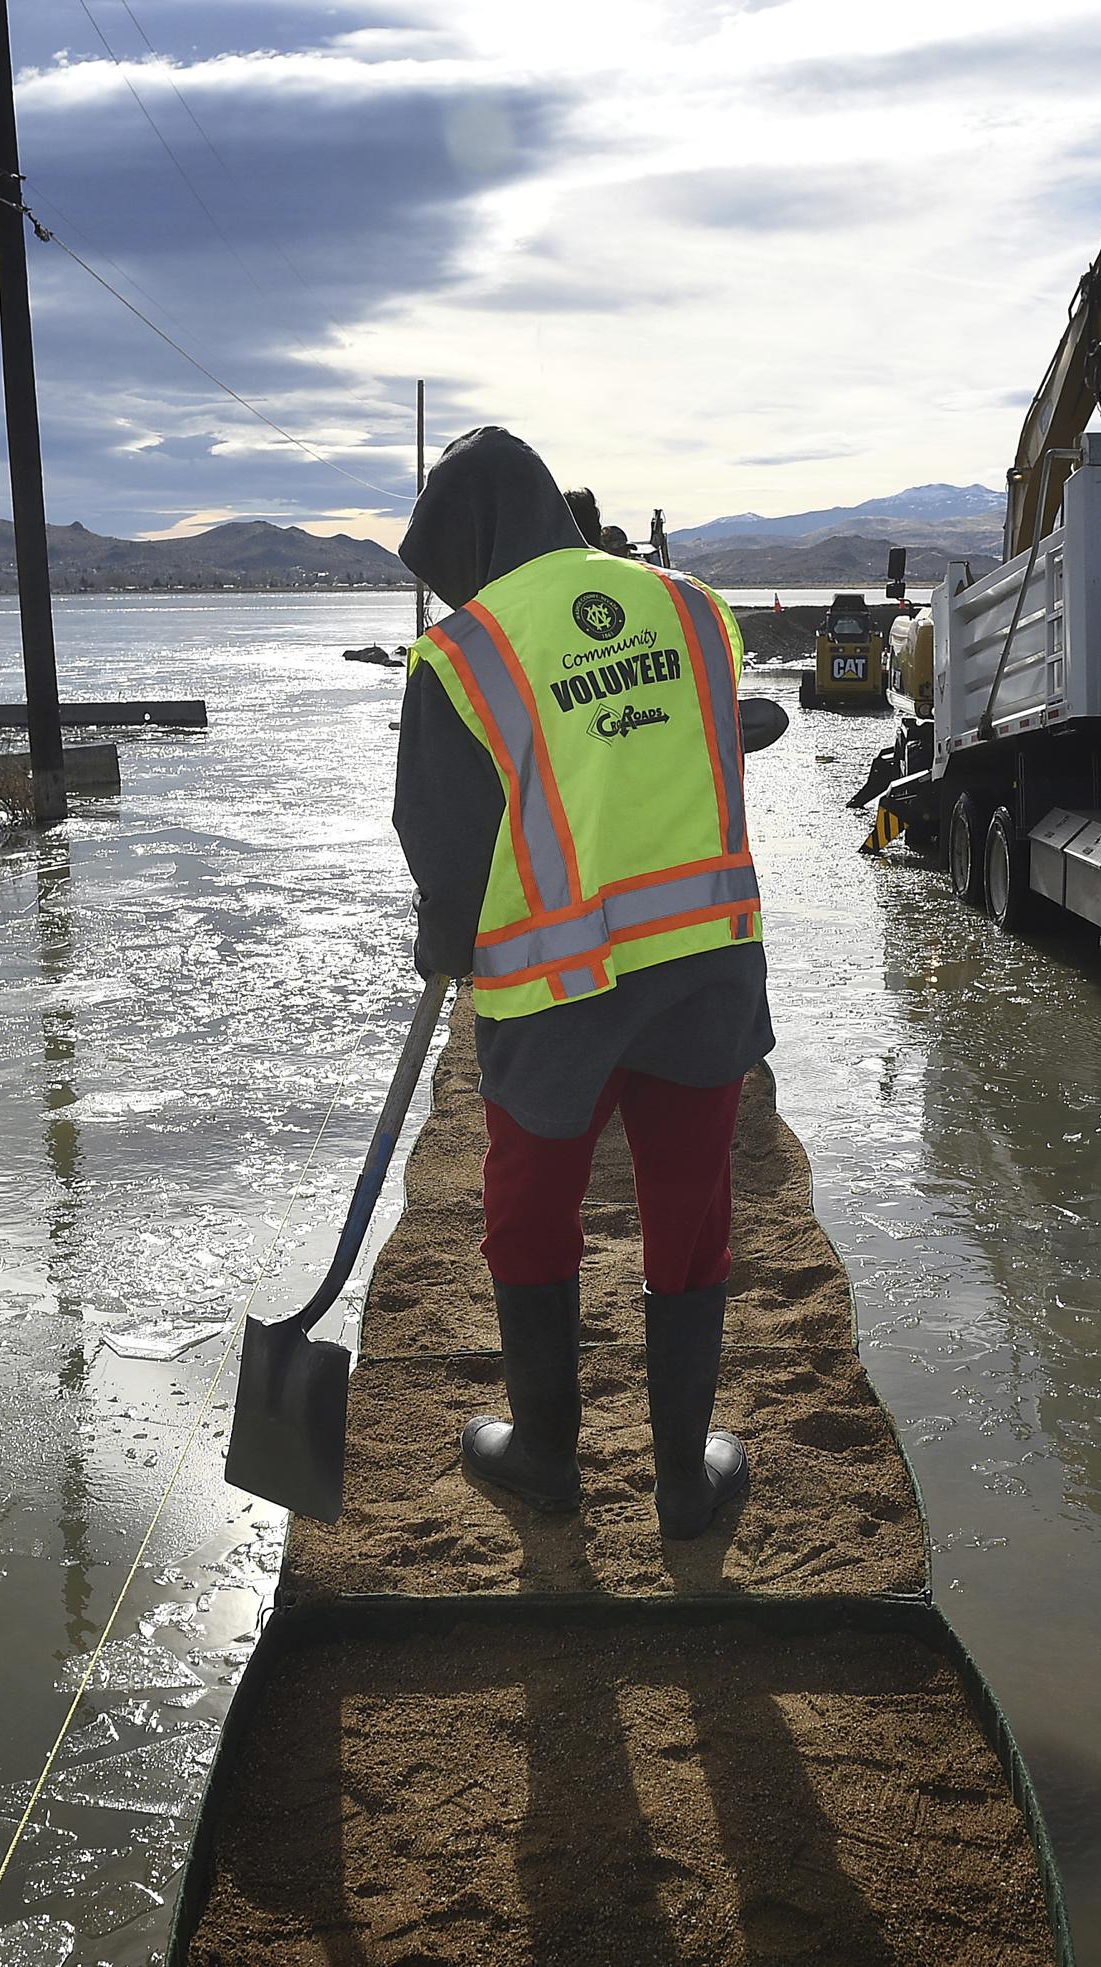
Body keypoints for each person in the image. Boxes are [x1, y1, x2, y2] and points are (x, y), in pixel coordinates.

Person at [395, 427, 773, 1539]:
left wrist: (444, 939)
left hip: (555, 988)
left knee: (530, 1213)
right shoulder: (698, 610)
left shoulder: (463, 656)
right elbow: (683, 751)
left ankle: (548, 1455)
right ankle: (682, 1483)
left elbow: (444, 842)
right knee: (690, 1214)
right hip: (705, 965)